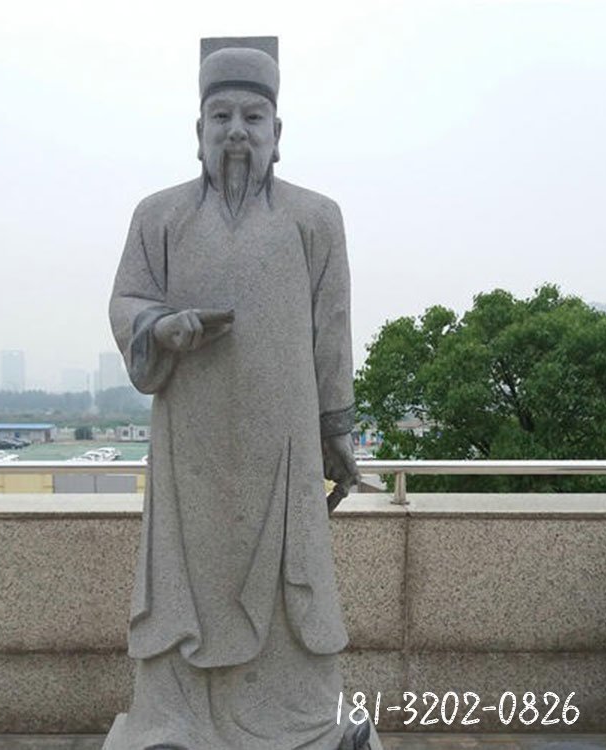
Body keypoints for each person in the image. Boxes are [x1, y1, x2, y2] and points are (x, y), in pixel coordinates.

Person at [109, 37, 379, 750]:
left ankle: (305, 720)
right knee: (186, 585)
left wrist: (337, 430)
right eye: (220, 117)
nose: (236, 132)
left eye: (252, 118)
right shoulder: (159, 216)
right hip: (190, 443)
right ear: (198, 130)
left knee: (292, 586)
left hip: (283, 443)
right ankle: (176, 722)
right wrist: (162, 327)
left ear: (277, 133)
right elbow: (127, 299)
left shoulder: (314, 218)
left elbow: (332, 330)